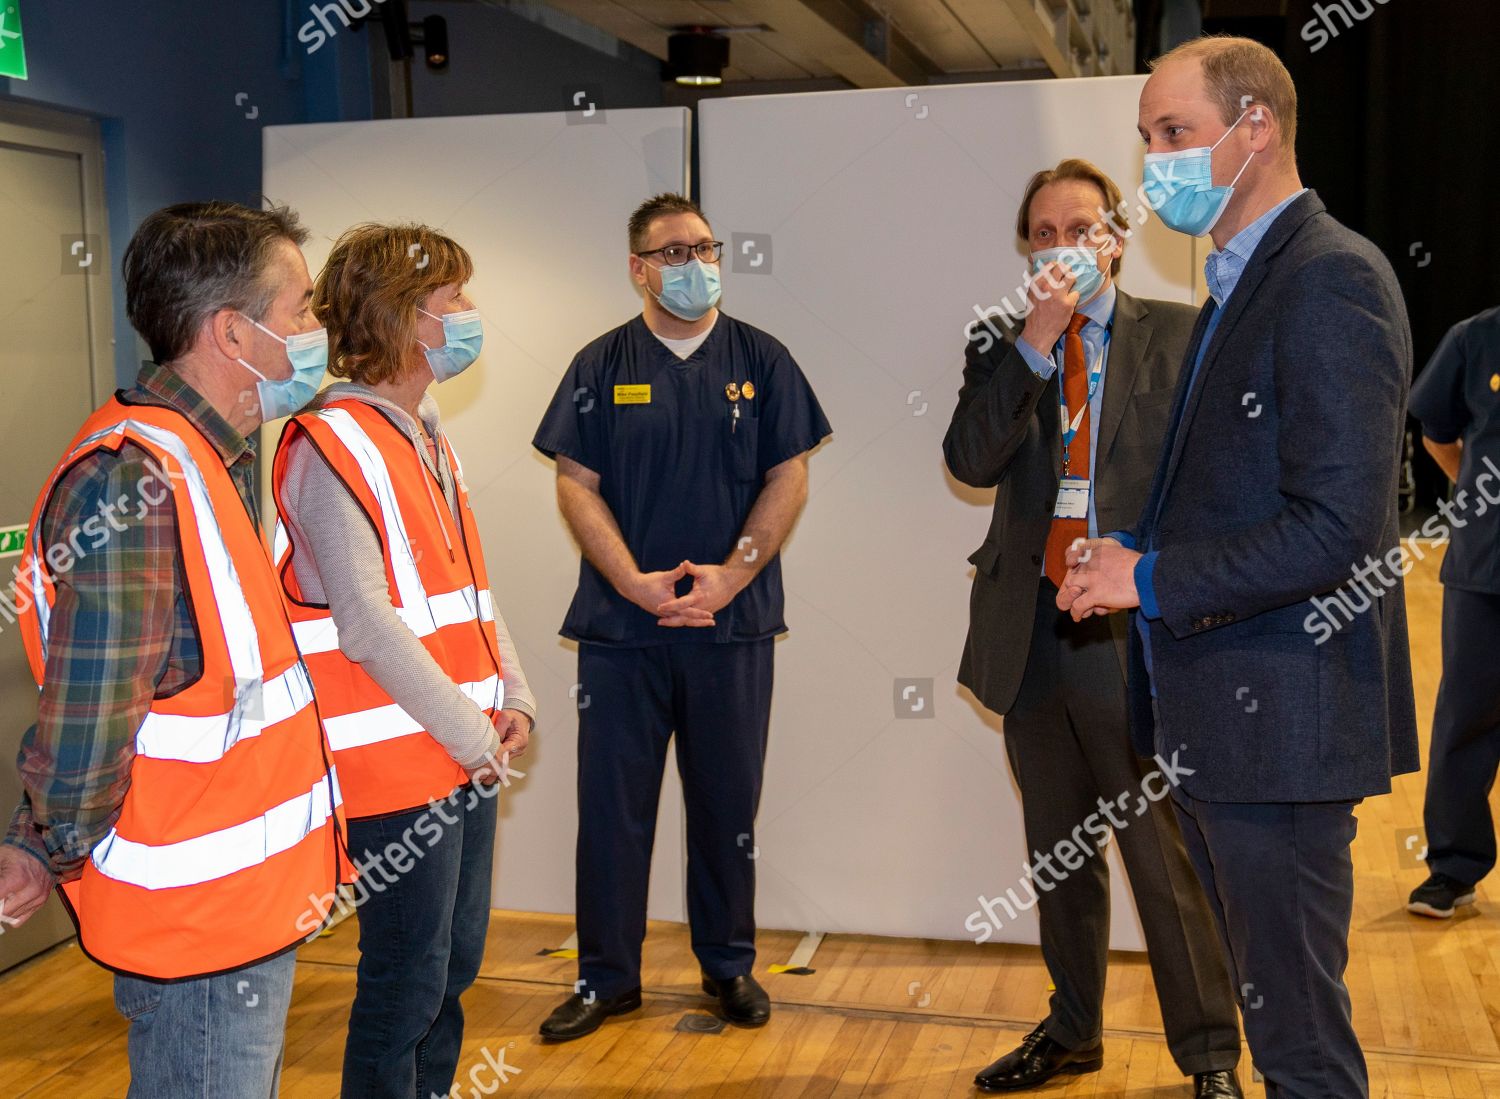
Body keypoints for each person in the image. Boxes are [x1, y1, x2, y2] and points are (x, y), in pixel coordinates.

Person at [1059, 36, 1419, 1097]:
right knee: (1281, 1035)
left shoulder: (1329, 278)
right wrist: (1134, 550)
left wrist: (1150, 581)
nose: (1156, 160)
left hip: (1285, 733)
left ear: (1255, 126)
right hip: (1229, 725)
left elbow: (1341, 530)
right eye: (1148, 139)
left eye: (1177, 133)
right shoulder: (1235, 279)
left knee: (1303, 1048)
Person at [0, 201, 348, 1097]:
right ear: (231, 332)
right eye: (302, 307)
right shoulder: (139, 480)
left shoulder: (207, 454)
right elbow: (93, 702)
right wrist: (46, 840)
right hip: (198, 925)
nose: (319, 329)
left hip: (242, 905)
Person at [946, 160, 1243, 1097]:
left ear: (1116, 236)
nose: (1063, 246)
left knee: (1162, 854)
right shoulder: (1001, 341)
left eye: (1081, 227)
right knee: (1059, 845)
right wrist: (1035, 341)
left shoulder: (1185, 332)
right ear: (1026, 249)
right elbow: (968, 457)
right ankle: (1073, 1028)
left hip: (1134, 626)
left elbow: (1218, 481)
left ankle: (1208, 1056)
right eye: (1044, 232)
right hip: (1032, 628)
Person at [532, 192, 831, 1040]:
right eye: (673, 252)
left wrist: (732, 579)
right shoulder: (598, 365)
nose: (695, 264)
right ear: (637, 268)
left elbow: (789, 477)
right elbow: (573, 483)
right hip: (622, 634)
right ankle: (605, 978)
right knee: (613, 811)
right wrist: (631, 580)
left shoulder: (763, 360)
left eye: (705, 247)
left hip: (730, 631)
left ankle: (728, 967)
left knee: (726, 808)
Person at [271, 223, 535, 1099]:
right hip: (399, 769)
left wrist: (516, 697)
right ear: (408, 318)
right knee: (404, 982)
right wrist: (473, 736)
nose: (467, 314)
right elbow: (366, 624)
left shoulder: (424, 434)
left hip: (462, 756)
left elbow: (469, 589)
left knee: (452, 970)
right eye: (453, 298)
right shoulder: (329, 444)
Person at [1406, 304, 1500, 919]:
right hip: (1485, 567)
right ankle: (1453, 869)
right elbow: (1436, 431)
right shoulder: (1476, 338)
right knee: (1466, 715)